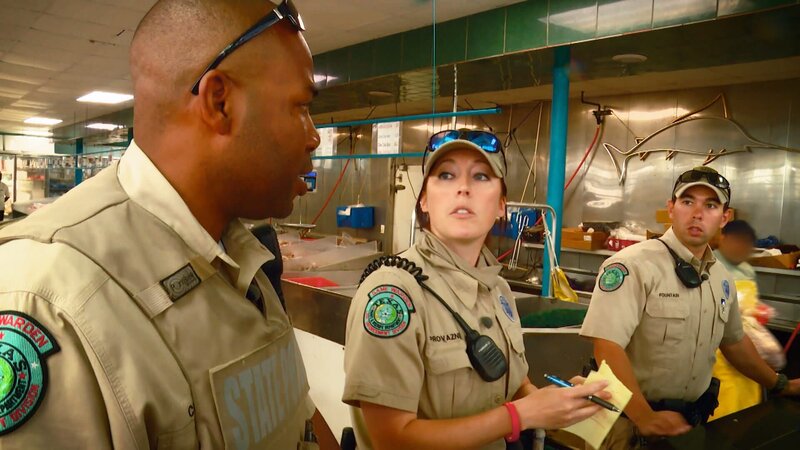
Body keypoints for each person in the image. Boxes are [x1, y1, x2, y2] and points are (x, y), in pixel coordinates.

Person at [0, 1, 339, 448]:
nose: (313, 136)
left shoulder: (240, 255)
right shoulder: (53, 299)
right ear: (220, 102)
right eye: (300, 107)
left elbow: (296, 416)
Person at [343, 129, 610, 450]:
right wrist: (519, 416)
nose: (464, 188)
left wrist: (556, 403)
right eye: (446, 175)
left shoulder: (498, 289)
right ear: (424, 200)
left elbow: (513, 384)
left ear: (501, 205)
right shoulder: (394, 292)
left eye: (481, 176)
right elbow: (391, 439)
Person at [580, 166, 800, 449]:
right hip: (627, 425)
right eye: (687, 201)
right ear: (671, 209)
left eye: (710, 205)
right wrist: (644, 416)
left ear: (724, 218)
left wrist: (780, 384)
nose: (697, 213)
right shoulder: (631, 266)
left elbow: (734, 342)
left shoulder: (721, 278)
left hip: (687, 425)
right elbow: (607, 347)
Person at [710, 220, 786, 420]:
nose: (741, 249)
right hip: (718, 352)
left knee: (748, 412)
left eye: (746, 245)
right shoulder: (710, 265)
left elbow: (748, 302)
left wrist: (758, 310)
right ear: (723, 239)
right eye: (737, 242)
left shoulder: (747, 270)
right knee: (721, 411)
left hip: (747, 350)